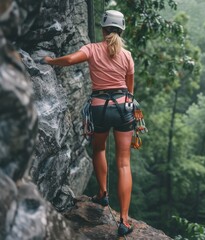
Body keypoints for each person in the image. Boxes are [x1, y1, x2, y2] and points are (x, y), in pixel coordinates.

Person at [42, 10, 134, 236]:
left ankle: (103, 194)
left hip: (99, 107)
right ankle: (124, 220)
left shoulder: (92, 49)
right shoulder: (127, 55)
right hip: (123, 106)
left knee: (98, 148)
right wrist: (126, 103)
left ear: (103, 29)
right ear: (121, 30)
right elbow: (130, 86)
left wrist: (50, 61)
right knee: (123, 163)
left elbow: (71, 60)